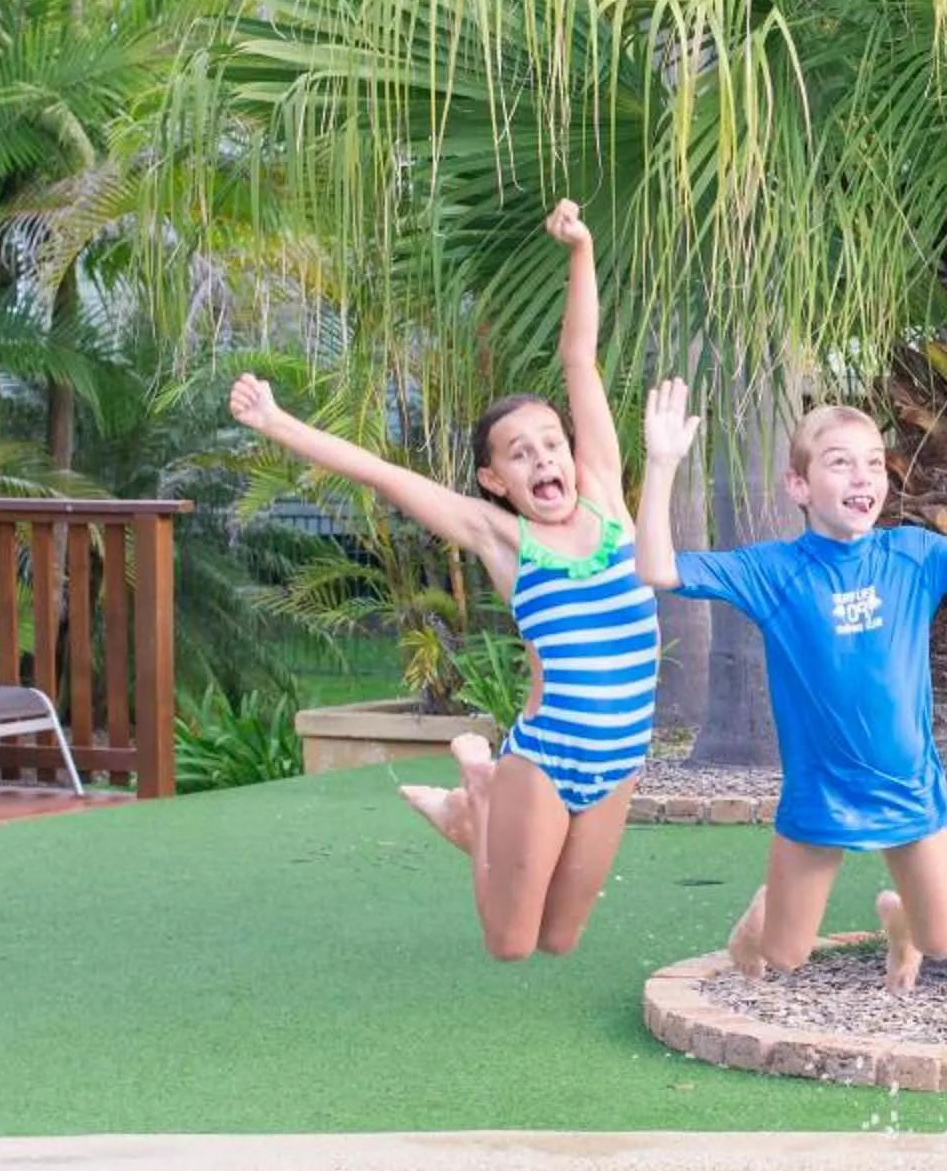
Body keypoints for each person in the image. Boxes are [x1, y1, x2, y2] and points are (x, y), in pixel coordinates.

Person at [227, 199, 659, 961]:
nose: (543, 461)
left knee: (561, 940)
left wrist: (582, 249)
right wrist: (278, 424)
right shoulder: (503, 538)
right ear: (495, 481)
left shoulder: (608, 501)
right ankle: (482, 793)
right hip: (549, 759)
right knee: (512, 945)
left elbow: (579, 359)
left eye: (550, 444)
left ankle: (472, 817)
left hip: (621, 759)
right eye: (519, 455)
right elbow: (383, 474)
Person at [635, 375, 947, 994]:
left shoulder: (914, 554)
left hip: (909, 789)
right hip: (820, 797)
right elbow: (658, 569)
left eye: (874, 463)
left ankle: (899, 924)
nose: (863, 477)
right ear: (798, 486)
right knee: (785, 955)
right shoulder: (773, 570)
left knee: (942, 942)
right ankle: (758, 921)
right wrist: (663, 464)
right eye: (840, 463)